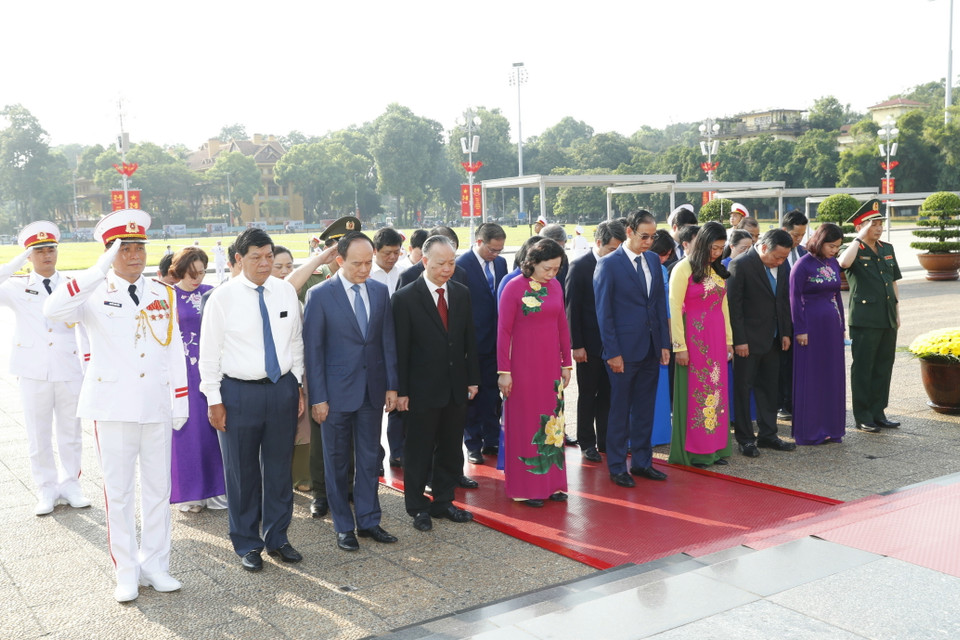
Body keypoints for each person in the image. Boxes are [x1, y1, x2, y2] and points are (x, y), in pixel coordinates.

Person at [44, 209, 188, 603]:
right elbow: (52, 310)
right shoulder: (91, 291)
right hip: (113, 406)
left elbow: (172, 349)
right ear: (109, 252)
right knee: (120, 492)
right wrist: (97, 269)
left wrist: (180, 401)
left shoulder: (162, 293)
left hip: (156, 404)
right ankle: (126, 571)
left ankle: (156, 565)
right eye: (125, 249)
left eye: (140, 247)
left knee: (158, 490)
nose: (135, 255)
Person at [199, 227, 305, 573]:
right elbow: (209, 354)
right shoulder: (222, 298)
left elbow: (296, 342)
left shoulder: (285, 291)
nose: (264, 263)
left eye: (268, 256)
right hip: (238, 393)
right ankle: (247, 543)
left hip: (281, 389)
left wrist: (298, 384)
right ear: (238, 259)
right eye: (256, 257)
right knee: (241, 473)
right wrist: (214, 399)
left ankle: (278, 538)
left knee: (279, 469)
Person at [303, 231, 400, 551]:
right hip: (334, 395)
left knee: (370, 459)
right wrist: (318, 397)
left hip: (371, 391)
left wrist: (391, 385)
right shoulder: (319, 294)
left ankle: (369, 520)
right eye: (357, 263)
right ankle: (343, 526)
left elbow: (387, 340)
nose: (364, 269)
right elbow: (313, 351)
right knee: (336, 461)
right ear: (340, 260)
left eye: (368, 262)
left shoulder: (379, 290)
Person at [1, 221, 89, 516]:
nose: (47, 255)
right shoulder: (17, 286)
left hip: (68, 367)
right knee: (38, 434)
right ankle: (46, 488)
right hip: (33, 370)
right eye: (39, 251)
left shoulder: (72, 285)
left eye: (51, 249)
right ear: (29, 255)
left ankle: (71, 484)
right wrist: (16, 262)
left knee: (71, 432)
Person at [393, 235, 479, 531]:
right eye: (441, 263)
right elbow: (400, 350)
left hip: (455, 386)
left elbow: (469, 339)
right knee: (418, 450)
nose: (447, 269)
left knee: (451, 448)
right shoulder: (404, 298)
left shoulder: (461, 293)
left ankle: (444, 501)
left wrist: (473, 379)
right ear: (425, 261)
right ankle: (417, 507)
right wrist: (402, 391)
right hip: (421, 390)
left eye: (452, 263)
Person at [594, 209, 671, 488]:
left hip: (650, 348)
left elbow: (659, 305)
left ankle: (642, 462)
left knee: (645, 409)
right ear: (629, 231)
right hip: (623, 353)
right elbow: (604, 314)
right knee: (619, 410)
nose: (649, 242)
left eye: (653, 237)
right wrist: (613, 353)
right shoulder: (609, 264)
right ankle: (617, 466)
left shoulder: (652, 260)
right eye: (644, 236)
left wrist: (664, 343)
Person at [498, 239, 572, 506]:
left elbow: (562, 325)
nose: (552, 273)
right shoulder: (513, 287)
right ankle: (526, 486)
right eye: (547, 268)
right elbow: (503, 331)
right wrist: (504, 371)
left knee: (553, 423)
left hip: (550, 366)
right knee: (526, 422)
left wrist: (566, 363)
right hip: (522, 368)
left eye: (556, 269)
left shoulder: (556, 286)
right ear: (532, 263)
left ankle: (552, 483)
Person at [667, 222, 734, 468]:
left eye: (720, 248)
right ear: (702, 243)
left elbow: (724, 307)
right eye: (713, 248)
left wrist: (729, 340)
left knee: (716, 391)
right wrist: (679, 346)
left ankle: (714, 447)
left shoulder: (715, 269)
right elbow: (674, 308)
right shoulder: (683, 268)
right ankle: (696, 451)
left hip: (716, 338)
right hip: (694, 338)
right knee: (697, 392)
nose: (716, 253)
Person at [727, 229, 797, 458]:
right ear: (764, 248)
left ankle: (768, 434)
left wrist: (785, 332)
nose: (781, 262)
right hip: (747, 341)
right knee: (743, 389)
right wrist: (739, 340)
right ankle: (746, 439)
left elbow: (783, 301)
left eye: (784, 258)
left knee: (769, 389)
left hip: (774, 339)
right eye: (777, 257)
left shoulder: (782, 265)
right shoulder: (740, 265)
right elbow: (734, 307)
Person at [168, 247, 227, 512]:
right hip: (182, 371)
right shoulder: (168, 296)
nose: (197, 278)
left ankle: (217, 490)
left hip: (211, 368)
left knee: (213, 430)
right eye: (191, 273)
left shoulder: (213, 293)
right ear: (180, 271)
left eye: (202, 272)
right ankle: (191, 493)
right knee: (188, 432)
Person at [837, 199, 902, 433]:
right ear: (859, 227)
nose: (878, 228)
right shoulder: (852, 249)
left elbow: (892, 282)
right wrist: (859, 238)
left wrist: (896, 311)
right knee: (864, 368)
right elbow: (843, 263)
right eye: (872, 224)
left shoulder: (887, 248)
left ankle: (878, 412)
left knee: (884, 366)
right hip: (865, 319)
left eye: (880, 223)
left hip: (887, 316)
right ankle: (863, 415)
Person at [565, 221, 625, 462]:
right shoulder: (580, 266)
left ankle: (605, 441)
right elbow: (572, 309)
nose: (616, 254)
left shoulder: (619, 265)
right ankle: (587, 442)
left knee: (609, 394)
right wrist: (576, 344)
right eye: (612, 249)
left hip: (613, 344)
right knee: (588, 394)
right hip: (588, 345)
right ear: (599, 242)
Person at [790, 222, 846, 444]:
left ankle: (832, 427)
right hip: (810, 327)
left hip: (832, 326)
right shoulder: (802, 265)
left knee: (832, 375)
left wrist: (842, 325)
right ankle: (811, 430)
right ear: (820, 242)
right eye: (831, 246)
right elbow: (794, 298)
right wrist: (800, 329)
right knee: (812, 376)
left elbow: (837, 295)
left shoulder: (833, 263)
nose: (835, 250)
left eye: (838, 246)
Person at [456, 223, 508, 465]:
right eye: (492, 249)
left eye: (499, 250)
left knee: (492, 394)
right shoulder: (461, 265)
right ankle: (473, 444)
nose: (495, 254)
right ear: (479, 242)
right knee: (472, 396)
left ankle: (492, 439)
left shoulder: (501, 264)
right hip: (472, 342)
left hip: (496, 341)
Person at [369, 227, 406, 469]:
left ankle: (398, 451)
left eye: (396, 252)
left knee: (399, 402)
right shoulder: (366, 275)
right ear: (375, 251)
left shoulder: (405, 274)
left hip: (399, 348)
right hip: (373, 349)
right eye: (387, 253)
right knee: (372, 407)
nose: (392, 257)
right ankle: (375, 456)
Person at [777, 210, 810, 421]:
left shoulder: (805, 253)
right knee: (783, 363)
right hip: (782, 317)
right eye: (795, 235)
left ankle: (797, 400)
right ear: (784, 230)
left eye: (802, 235)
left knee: (799, 361)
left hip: (801, 316)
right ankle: (782, 403)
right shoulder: (776, 254)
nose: (798, 239)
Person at [664, 204, 699, 268]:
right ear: (675, 227)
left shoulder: (694, 245)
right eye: (687, 230)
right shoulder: (662, 245)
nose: (690, 234)